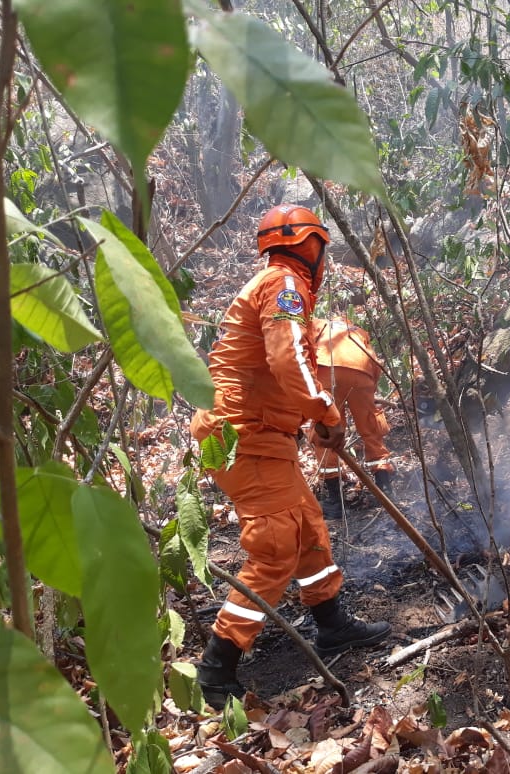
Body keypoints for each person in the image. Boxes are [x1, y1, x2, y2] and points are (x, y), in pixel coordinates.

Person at [190, 204, 391, 709]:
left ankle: (333, 625)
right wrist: (324, 412)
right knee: (277, 544)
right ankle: (218, 667)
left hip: (253, 434)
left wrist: (309, 418)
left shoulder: (275, 282)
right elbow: (289, 361)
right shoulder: (284, 285)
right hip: (241, 436)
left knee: (307, 526)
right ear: (312, 244)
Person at [309, 317, 395, 519]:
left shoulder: (317, 325)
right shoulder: (357, 330)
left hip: (325, 369)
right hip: (361, 371)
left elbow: (303, 352)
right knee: (370, 425)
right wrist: (369, 390)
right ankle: (385, 489)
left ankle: (335, 500)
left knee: (327, 427)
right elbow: (374, 362)